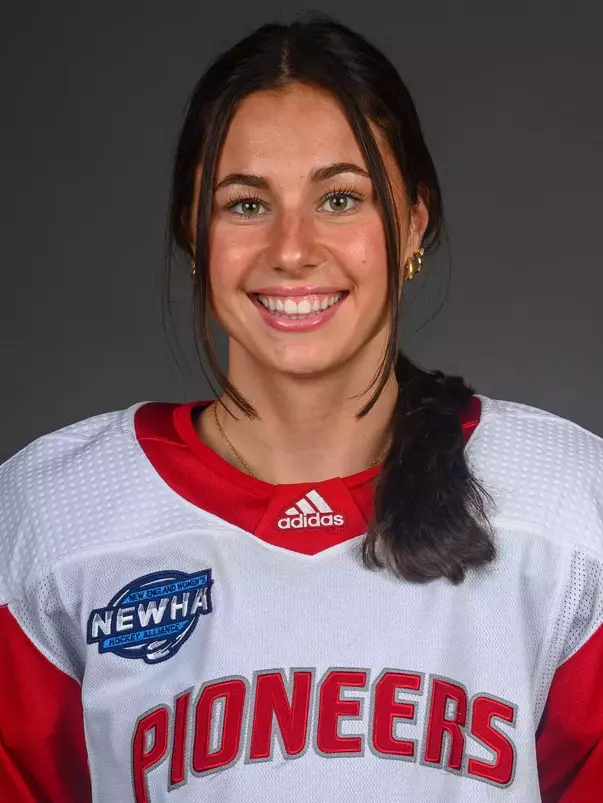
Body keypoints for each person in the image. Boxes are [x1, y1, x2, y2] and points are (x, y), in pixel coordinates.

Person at [0, 12, 601, 803]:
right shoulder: (52, 518)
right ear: (192, 227)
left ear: (412, 222)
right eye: (245, 204)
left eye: (341, 198)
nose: (291, 247)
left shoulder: (565, 505)